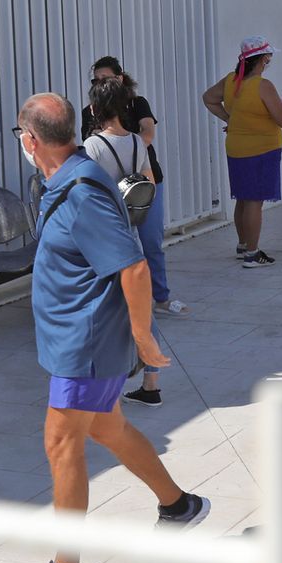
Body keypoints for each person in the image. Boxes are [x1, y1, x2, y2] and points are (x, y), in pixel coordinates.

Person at [7, 92, 210, 563]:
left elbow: (134, 267)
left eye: (19, 138)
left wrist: (144, 340)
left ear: (31, 141)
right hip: (75, 337)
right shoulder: (66, 178)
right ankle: (178, 504)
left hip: (87, 342)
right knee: (105, 426)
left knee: (60, 442)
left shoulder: (81, 192)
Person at [81, 56, 189, 317]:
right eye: (96, 80)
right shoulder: (91, 111)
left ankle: (160, 298)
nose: (99, 83)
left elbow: (148, 131)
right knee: (120, 246)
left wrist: (129, 148)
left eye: (104, 79)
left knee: (151, 242)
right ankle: (125, 305)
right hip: (112, 189)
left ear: (120, 78)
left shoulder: (136, 104)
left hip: (144, 181)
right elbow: (90, 146)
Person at [83, 77, 167, 407]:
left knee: (104, 310)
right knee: (141, 305)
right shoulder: (135, 141)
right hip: (130, 233)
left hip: (102, 237)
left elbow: (86, 192)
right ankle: (151, 383)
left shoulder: (92, 146)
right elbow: (149, 183)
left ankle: (105, 387)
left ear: (94, 108)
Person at [201, 36, 282, 267]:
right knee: (255, 201)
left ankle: (243, 244)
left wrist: (229, 118)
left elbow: (208, 98)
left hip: (236, 147)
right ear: (264, 59)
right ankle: (252, 254)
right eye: (269, 58)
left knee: (242, 198)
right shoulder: (263, 86)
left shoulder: (231, 81)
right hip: (262, 150)